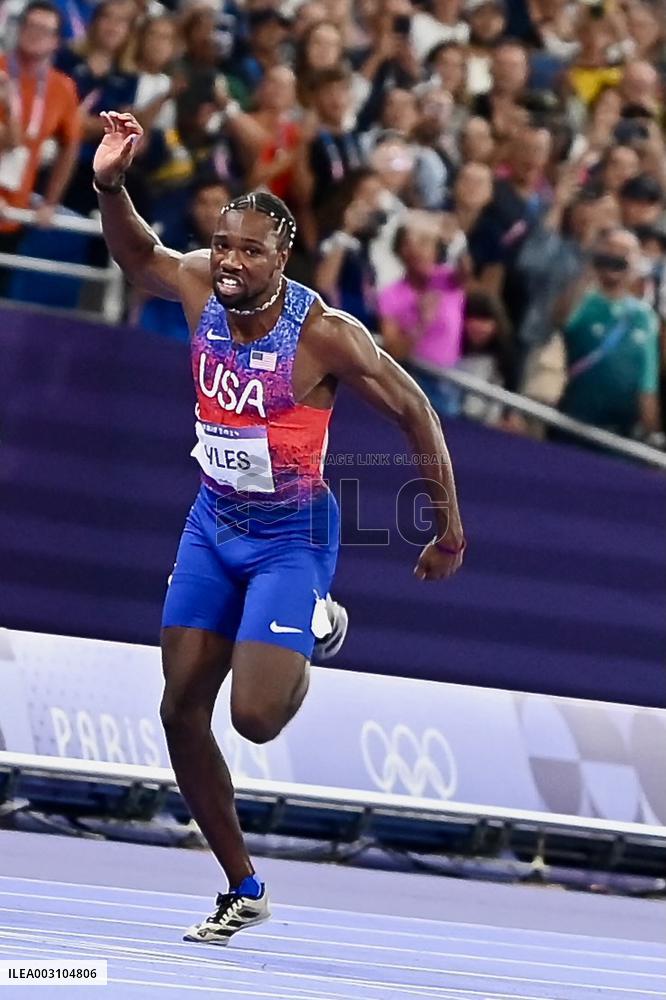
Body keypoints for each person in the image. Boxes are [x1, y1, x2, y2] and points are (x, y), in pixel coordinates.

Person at [92, 110, 466, 944]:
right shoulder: (196, 282)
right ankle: (242, 884)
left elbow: (417, 415)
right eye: (224, 245)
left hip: (292, 537)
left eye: (249, 251)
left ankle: (320, 622)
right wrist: (110, 183)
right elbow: (137, 255)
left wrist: (446, 529)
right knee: (180, 711)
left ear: (281, 258)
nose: (229, 262)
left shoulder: (327, 335)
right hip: (211, 525)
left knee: (255, 718)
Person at [0, 0, 80, 286]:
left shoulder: (62, 87)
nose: (36, 34)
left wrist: (50, 200)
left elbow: (71, 145)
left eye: (45, 30)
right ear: (18, 28)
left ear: (57, 42)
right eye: (31, 26)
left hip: (13, 214)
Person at [555, 227, 661, 438]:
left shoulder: (644, 316)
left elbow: (647, 381)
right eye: (611, 249)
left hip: (620, 431)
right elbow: (560, 318)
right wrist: (589, 269)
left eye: (625, 251)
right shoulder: (584, 300)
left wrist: (652, 432)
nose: (616, 256)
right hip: (573, 419)